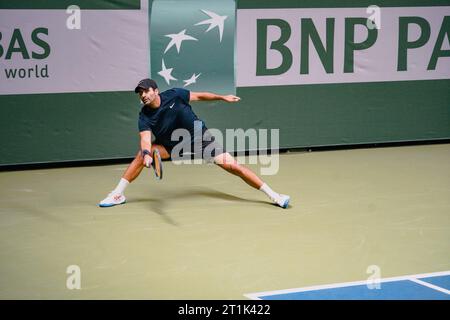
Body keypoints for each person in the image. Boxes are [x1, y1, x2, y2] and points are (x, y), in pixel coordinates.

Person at [99, 78, 290, 208]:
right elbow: (145, 139)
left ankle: (275, 196)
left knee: (234, 167)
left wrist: (222, 97)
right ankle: (118, 194)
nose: (143, 95)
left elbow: (200, 96)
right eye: (140, 93)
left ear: (156, 91)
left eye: (146, 91)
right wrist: (148, 154)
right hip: (172, 146)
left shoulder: (175, 94)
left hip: (200, 139)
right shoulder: (144, 116)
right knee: (141, 155)